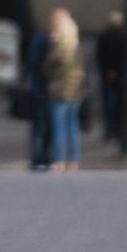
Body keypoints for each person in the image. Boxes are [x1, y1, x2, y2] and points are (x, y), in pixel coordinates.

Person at [41, 10, 85, 173]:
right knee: (73, 126)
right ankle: (74, 160)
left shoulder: (58, 50)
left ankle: (59, 160)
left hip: (60, 93)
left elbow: (46, 70)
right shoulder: (77, 49)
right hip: (76, 93)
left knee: (59, 127)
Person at [20, 13, 54, 172]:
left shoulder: (42, 39)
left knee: (44, 128)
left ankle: (42, 159)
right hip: (43, 90)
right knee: (41, 128)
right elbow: (34, 65)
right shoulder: (43, 40)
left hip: (45, 90)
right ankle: (39, 159)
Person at [96, 12, 127, 150]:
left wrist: (108, 70)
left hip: (107, 75)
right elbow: (125, 56)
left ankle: (110, 130)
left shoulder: (104, 35)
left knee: (109, 104)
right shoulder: (124, 36)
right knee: (118, 104)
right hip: (120, 75)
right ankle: (117, 131)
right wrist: (116, 71)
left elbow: (100, 55)